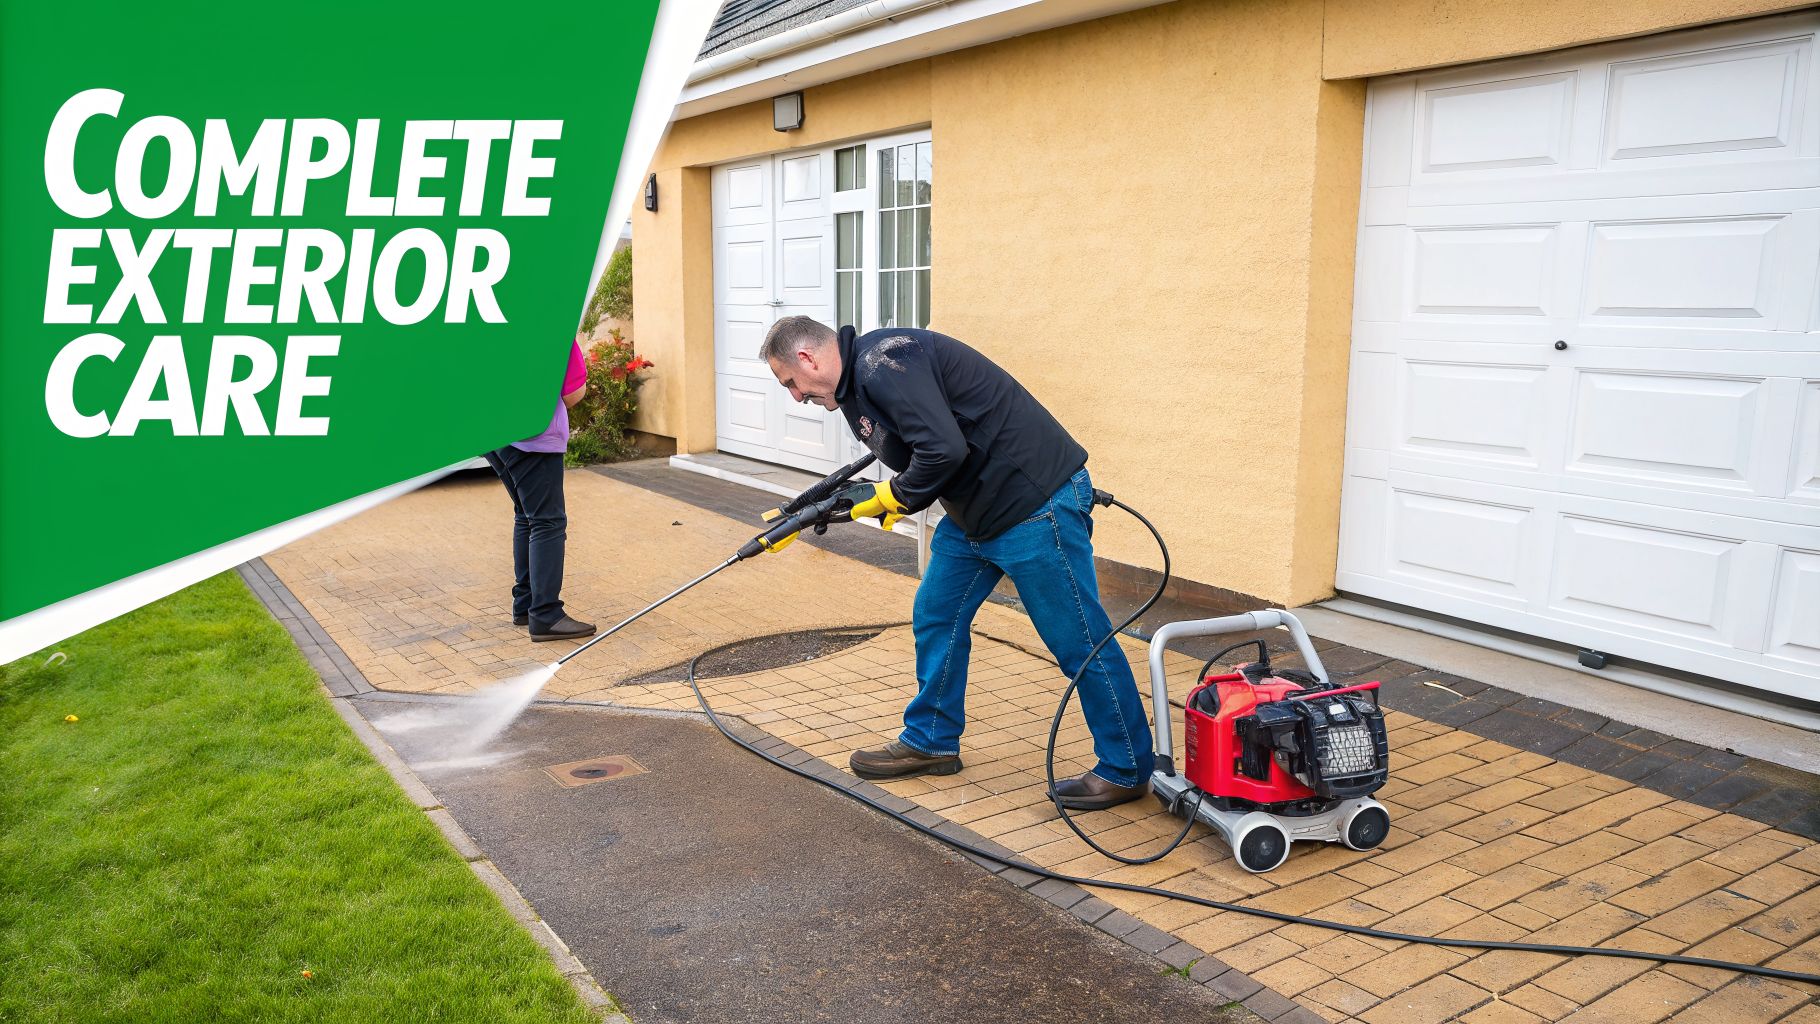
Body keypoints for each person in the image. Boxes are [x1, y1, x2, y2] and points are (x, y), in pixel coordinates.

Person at [760, 317, 1154, 811]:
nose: (795, 397)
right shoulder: (856, 388)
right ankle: (931, 740)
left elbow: (943, 448)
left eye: (791, 384)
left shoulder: (885, 361)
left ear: (808, 359)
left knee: (1079, 641)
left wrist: (894, 496)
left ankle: (1127, 767)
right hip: (974, 516)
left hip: (1033, 505)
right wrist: (879, 499)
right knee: (937, 614)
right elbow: (920, 452)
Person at [483, 339, 596, 642]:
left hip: (495, 431)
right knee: (547, 522)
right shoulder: (554, 323)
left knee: (527, 516)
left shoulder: (496, 316)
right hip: (533, 438)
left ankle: (525, 605)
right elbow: (573, 392)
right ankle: (545, 614)